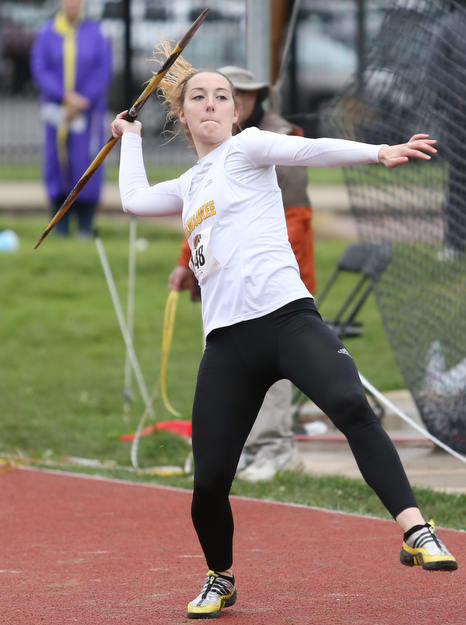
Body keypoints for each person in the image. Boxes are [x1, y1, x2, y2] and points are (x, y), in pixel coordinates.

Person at [111, 55, 457, 620]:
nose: (213, 105)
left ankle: (415, 530)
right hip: (228, 344)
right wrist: (130, 137)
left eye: (223, 96)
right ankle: (219, 578)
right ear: (182, 112)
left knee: (351, 404)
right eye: (199, 97)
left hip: (289, 319)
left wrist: (379, 152)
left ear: (237, 109)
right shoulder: (189, 183)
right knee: (211, 478)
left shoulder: (248, 150)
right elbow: (133, 200)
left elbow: (309, 149)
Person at [168, 65, 315, 482]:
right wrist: (186, 262)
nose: (216, 103)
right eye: (202, 96)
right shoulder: (215, 147)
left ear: (246, 103)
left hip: (276, 286)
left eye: (236, 95)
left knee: (275, 374)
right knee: (232, 376)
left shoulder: (268, 141)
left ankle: (274, 449)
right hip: (224, 292)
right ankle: (243, 451)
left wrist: (263, 271)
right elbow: (202, 214)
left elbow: (294, 217)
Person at [30, 0, 112, 238]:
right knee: (57, 161)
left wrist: (82, 99)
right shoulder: (47, 32)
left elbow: (103, 69)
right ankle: (59, 223)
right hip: (57, 112)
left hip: (87, 112)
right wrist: (65, 96)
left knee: (87, 160)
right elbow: (40, 68)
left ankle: (86, 222)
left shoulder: (96, 32)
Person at [429, 1, 466, 259]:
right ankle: (455, 243)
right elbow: (435, 72)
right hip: (459, 119)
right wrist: (457, 98)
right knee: (459, 182)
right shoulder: (449, 25)